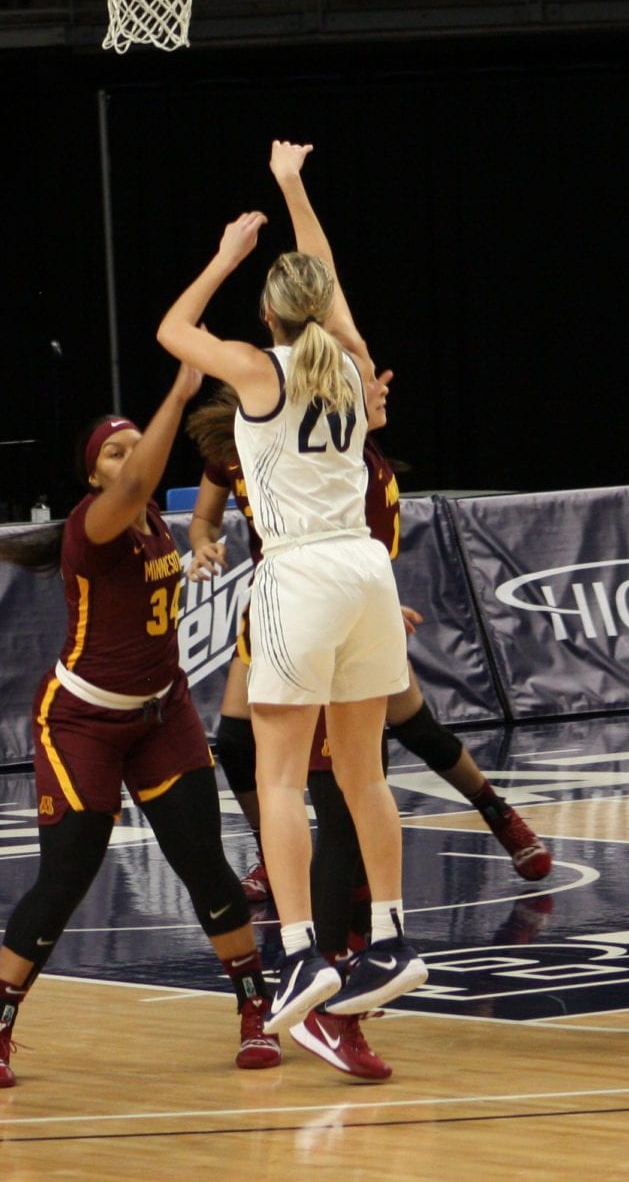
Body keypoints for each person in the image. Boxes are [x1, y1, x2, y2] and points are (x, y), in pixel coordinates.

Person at [157, 140, 426, 1040]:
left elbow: (171, 332)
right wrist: (294, 185)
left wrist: (227, 254)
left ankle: (305, 949)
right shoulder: (352, 361)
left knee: (279, 776)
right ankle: (389, 937)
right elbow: (332, 274)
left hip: (300, 571)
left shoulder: (254, 367)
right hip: (366, 571)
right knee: (361, 770)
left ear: (268, 309)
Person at [0, 366, 280, 1089]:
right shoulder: (93, 523)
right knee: (67, 874)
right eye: (114, 450)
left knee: (205, 861)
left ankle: (254, 1007)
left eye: (136, 446)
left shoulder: (153, 523)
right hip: (82, 722)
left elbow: (164, 505)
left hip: (163, 712)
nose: (129, 457)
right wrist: (175, 392)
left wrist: (201, 545)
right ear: (92, 474)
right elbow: (136, 481)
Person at [188, 377, 549, 900]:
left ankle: (496, 813)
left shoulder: (327, 449)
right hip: (280, 603)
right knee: (237, 743)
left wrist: (371, 598)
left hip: (341, 598)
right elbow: (205, 516)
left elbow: (355, 543)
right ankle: (275, 857)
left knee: (413, 729)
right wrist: (202, 545)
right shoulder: (237, 446)